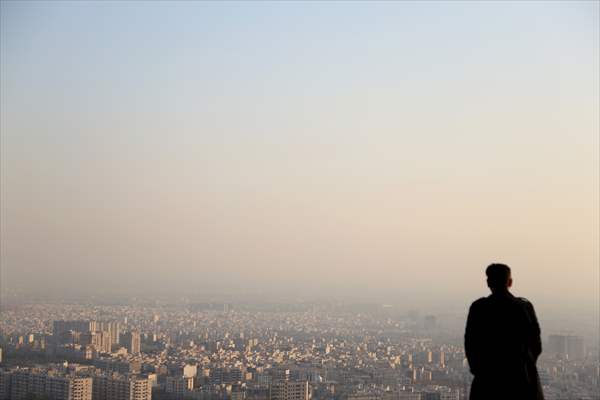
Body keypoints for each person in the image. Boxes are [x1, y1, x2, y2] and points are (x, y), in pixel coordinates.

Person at [465, 263, 544, 400]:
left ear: (488, 282)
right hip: (520, 382)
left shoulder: (479, 308)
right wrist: (525, 367)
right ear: (510, 282)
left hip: (487, 383)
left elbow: (471, 344)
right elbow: (536, 345)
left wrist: (481, 371)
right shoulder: (524, 307)